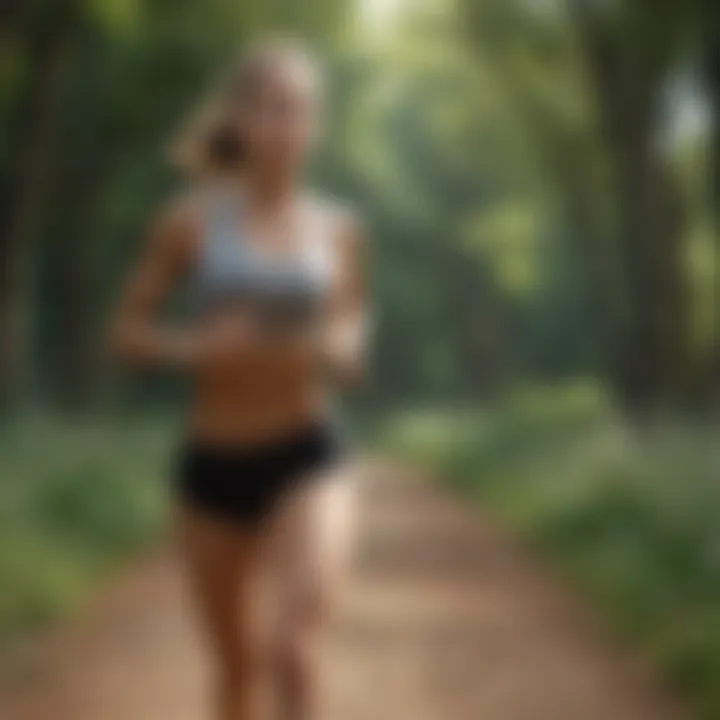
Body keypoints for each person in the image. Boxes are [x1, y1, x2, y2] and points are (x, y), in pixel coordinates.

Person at [109, 37, 368, 720]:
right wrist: (194, 347)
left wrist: (339, 348)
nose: (284, 125)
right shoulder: (188, 224)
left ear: (315, 125)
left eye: (299, 110)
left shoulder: (337, 231)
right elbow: (125, 335)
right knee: (237, 670)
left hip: (307, 454)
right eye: (270, 108)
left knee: (293, 646)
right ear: (239, 121)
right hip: (214, 467)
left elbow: (350, 331)